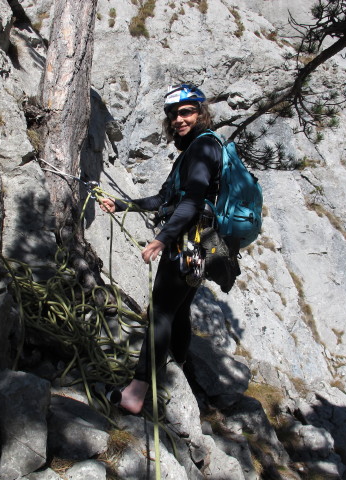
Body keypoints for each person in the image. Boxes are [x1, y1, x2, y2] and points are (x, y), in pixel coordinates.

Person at [99, 84, 222, 414]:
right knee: (179, 308)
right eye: (174, 115)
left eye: (186, 112)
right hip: (202, 241)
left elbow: (193, 200)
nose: (179, 119)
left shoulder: (204, 147)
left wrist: (162, 238)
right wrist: (123, 204)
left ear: (200, 113)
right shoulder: (194, 151)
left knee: (161, 312)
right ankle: (177, 370)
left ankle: (136, 392)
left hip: (189, 240)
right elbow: (163, 199)